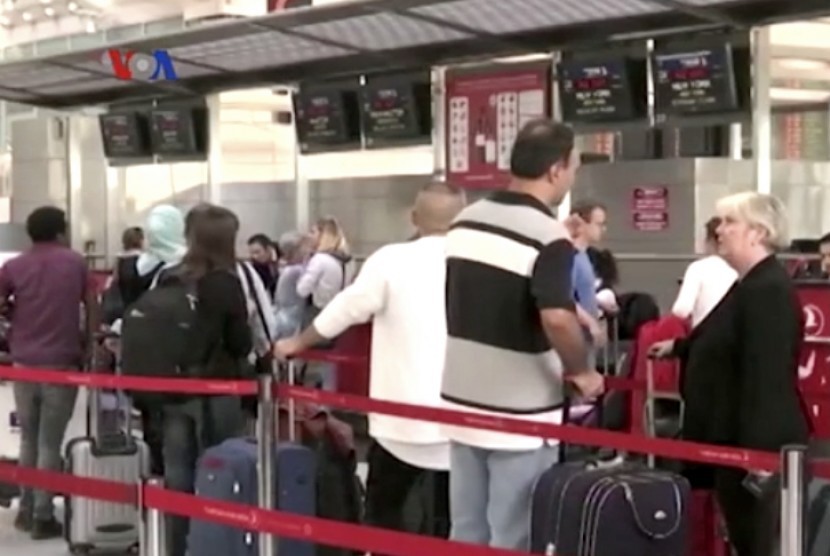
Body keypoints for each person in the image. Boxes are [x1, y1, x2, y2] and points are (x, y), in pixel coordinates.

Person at [441, 119, 603, 550]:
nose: (572, 176)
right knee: (512, 533)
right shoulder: (548, 235)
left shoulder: (464, 221)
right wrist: (582, 371)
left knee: (466, 530)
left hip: (461, 395)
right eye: (573, 167)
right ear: (556, 170)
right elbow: (555, 318)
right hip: (520, 407)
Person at [275, 182, 466, 540]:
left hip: (398, 422)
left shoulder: (391, 260)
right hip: (464, 424)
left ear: (414, 218)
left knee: (385, 515)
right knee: (454, 519)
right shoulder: (480, 263)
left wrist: (297, 342)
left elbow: (343, 312)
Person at [650, 192, 808, 556]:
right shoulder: (748, 285)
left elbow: (766, 374)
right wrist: (681, 348)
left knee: (757, 542)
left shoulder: (767, 291)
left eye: (729, 221)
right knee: (743, 538)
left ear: (757, 232)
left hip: (751, 447)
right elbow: (727, 340)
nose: (719, 230)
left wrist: (758, 460)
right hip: (732, 441)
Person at [0, 206, 98, 539]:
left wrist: (13, 315)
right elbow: (91, 305)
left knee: (28, 438)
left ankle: (26, 510)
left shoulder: (14, 266)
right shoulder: (74, 262)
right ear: (60, 231)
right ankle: (44, 514)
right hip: (61, 362)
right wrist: (90, 345)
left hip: (24, 362)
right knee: (49, 441)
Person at [162, 204, 252, 556]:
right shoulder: (226, 282)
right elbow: (240, 342)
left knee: (177, 475)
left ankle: (172, 546)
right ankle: (215, 546)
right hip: (218, 391)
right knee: (220, 471)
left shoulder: (169, 276)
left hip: (171, 391)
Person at [296, 216, 352, 390]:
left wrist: (305, 263)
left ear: (323, 235)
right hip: (339, 314)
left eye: (313, 231)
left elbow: (301, 290)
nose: (309, 235)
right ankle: (328, 398)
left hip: (317, 313)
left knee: (308, 357)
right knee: (330, 362)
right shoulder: (346, 261)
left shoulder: (319, 260)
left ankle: (307, 396)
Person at [671, 216, 738, 328]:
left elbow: (681, 310)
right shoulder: (740, 267)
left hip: (704, 334)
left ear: (710, 240)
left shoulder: (698, 268)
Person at [567, 200, 608, 351]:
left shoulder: (584, 256)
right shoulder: (570, 256)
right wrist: (590, 323)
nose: (603, 229)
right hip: (574, 337)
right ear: (582, 224)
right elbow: (564, 297)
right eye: (599, 224)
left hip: (585, 337)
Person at [273, 231, 308, 339]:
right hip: (291, 318)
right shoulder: (296, 271)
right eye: (304, 247)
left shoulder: (287, 268)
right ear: (295, 250)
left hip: (284, 316)